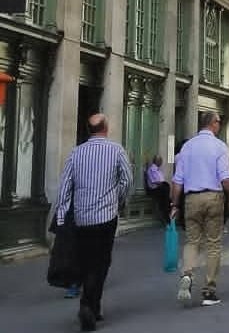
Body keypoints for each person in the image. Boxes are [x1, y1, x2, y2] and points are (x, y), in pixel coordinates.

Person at [54, 113, 134, 332]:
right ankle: (89, 305)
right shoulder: (116, 150)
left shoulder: (76, 153)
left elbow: (65, 187)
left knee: (87, 261)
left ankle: (91, 305)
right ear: (106, 128)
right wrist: (117, 200)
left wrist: (62, 218)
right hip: (106, 217)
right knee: (101, 262)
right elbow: (127, 180)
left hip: (82, 218)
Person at [170, 110, 229, 307]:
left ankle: (187, 274)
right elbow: (226, 178)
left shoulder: (187, 147)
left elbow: (177, 181)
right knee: (213, 244)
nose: (219, 125)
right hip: (213, 197)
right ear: (213, 124)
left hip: (191, 199)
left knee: (192, 241)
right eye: (219, 121)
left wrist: (174, 204)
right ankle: (209, 291)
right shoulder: (219, 146)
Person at [145, 154, 171, 223]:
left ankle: (167, 211)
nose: (162, 162)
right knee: (165, 190)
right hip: (154, 190)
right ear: (157, 161)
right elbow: (154, 181)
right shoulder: (151, 169)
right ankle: (166, 214)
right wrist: (162, 183)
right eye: (161, 160)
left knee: (167, 196)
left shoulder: (159, 170)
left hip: (160, 189)